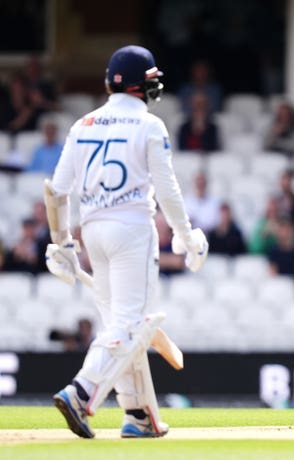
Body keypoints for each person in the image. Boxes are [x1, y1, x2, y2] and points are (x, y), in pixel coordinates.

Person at [43, 45, 208, 439]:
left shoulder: (82, 125)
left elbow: (57, 191)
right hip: (132, 230)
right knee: (133, 324)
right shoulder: (149, 125)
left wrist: (61, 242)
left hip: (93, 232)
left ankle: (138, 415)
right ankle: (81, 392)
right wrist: (187, 238)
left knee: (123, 327)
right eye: (151, 80)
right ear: (141, 85)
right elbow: (166, 190)